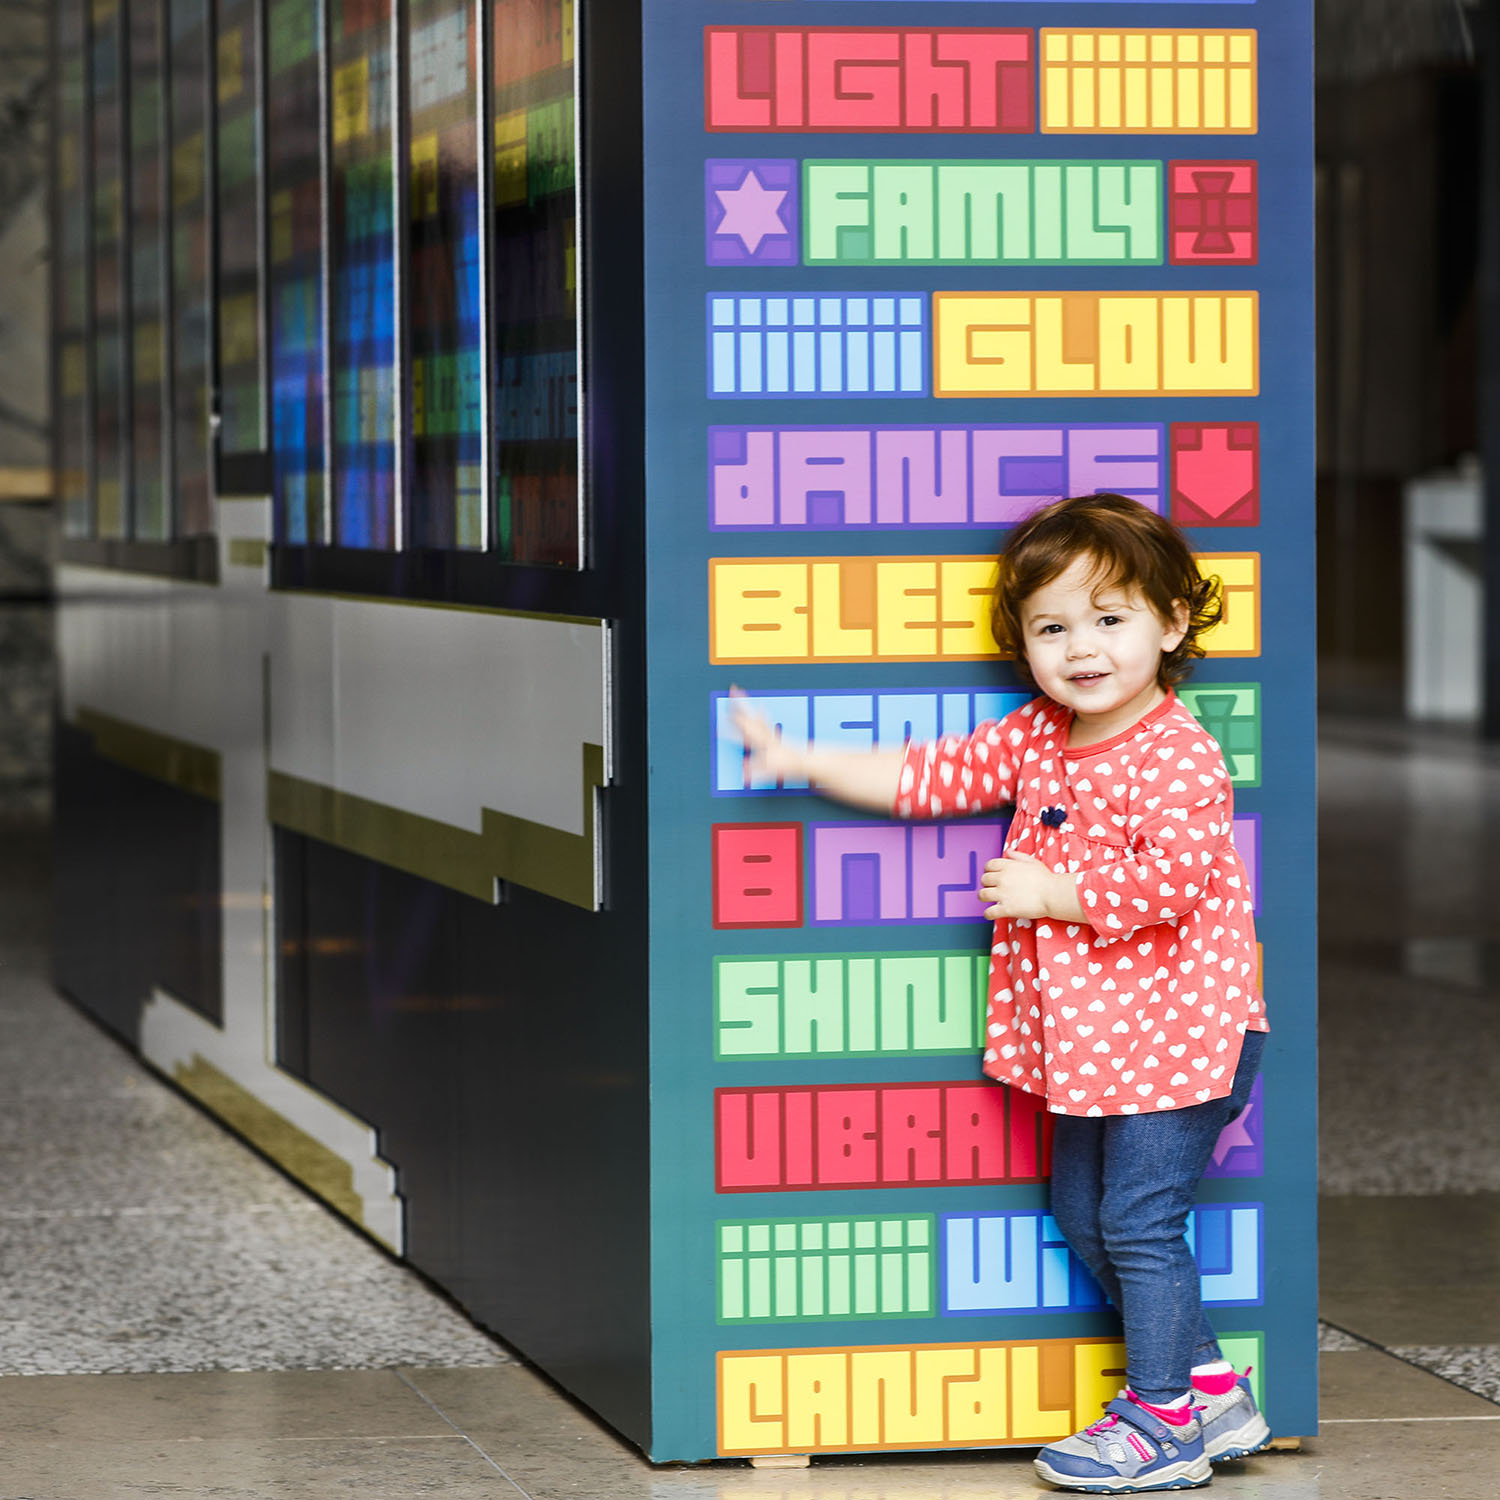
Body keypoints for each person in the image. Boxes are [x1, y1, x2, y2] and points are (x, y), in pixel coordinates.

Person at [730, 493, 1272, 1493]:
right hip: (1093, 1048)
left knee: (1140, 1223)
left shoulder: (1175, 751)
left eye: (1111, 619)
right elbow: (928, 775)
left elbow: (1178, 879)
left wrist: (1053, 892)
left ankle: (1161, 1425)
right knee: (1082, 1206)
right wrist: (800, 759)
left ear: (1172, 621)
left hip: (1184, 1040)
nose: (1082, 648)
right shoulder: (1039, 735)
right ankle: (1210, 1389)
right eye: (1052, 627)